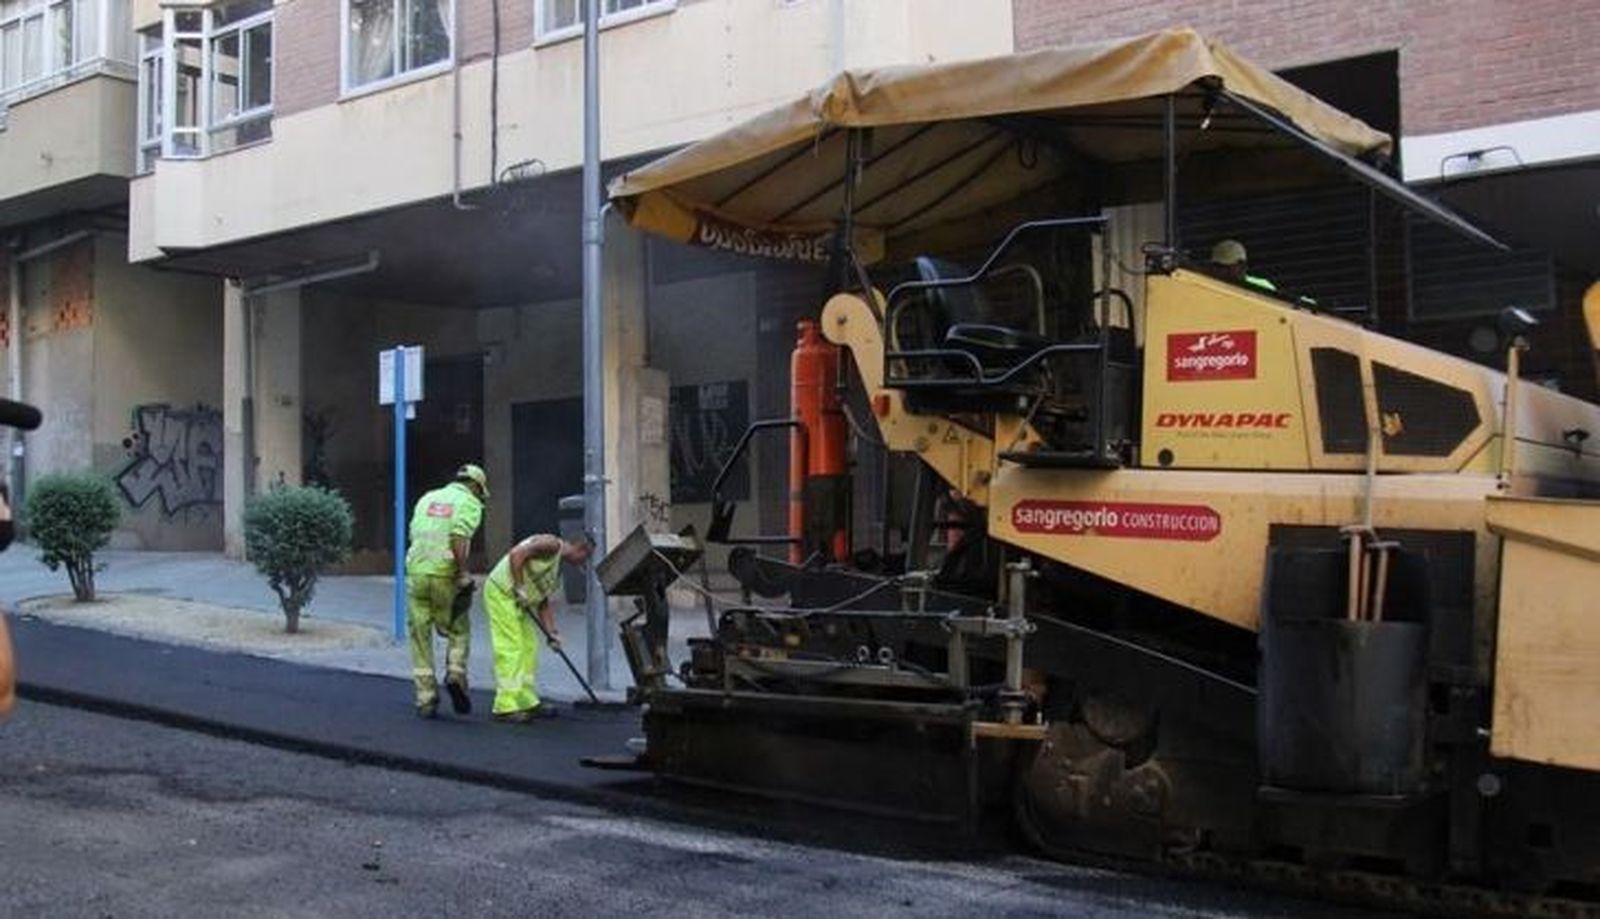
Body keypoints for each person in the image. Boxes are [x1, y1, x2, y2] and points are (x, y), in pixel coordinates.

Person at [405, 463, 488, 719]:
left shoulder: (428, 498)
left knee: (420, 636)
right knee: (458, 627)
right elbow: (459, 535)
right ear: (475, 486)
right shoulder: (470, 503)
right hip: (445, 575)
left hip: (417, 573)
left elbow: (413, 533)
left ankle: (426, 699)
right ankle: (455, 673)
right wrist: (463, 572)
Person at [483, 533, 593, 723]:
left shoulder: (556, 567)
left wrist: (552, 634)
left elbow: (543, 602)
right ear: (580, 549)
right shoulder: (550, 545)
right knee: (511, 647)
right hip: (501, 592)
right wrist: (519, 587)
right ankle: (506, 706)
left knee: (529, 646)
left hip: (519, 600)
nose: (583, 564)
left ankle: (525, 700)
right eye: (586, 558)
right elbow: (516, 554)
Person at [1209, 239, 1278, 293]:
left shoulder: (1263, 286)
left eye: (1227, 267)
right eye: (1218, 266)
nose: (1221, 272)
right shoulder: (1208, 287)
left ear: (1242, 266)